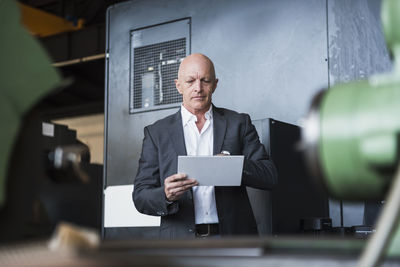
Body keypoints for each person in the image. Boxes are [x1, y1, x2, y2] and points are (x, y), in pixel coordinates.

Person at [133, 53, 277, 238]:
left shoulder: (239, 123)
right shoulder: (156, 133)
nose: (198, 88)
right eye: (190, 81)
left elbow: (270, 175)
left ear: (215, 84)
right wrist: (166, 195)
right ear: (178, 86)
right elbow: (140, 197)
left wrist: (234, 165)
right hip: (180, 244)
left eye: (205, 80)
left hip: (233, 240)